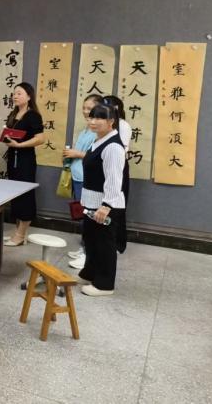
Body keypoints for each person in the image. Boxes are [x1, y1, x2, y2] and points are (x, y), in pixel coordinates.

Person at [79, 102, 126, 296]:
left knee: (104, 244)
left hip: (105, 205)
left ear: (111, 121)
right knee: (91, 240)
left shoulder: (113, 146)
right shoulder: (98, 140)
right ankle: (91, 273)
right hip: (92, 201)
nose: (93, 121)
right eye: (91, 117)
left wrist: (106, 206)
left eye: (99, 118)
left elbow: (114, 179)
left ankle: (105, 285)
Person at [63, 94, 104, 269]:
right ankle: (85, 248)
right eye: (84, 108)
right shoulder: (85, 130)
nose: (86, 112)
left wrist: (76, 154)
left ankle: (89, 255)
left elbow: (97, 156)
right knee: (82, 216)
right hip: (78, 176)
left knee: (89, 217)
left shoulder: (99, 132)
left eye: (90, 108)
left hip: (88, 179)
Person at [3, 82, 45, 246]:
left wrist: (20, 145)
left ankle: (20, 235)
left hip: (25, 160)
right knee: (15, 195)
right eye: (14, 93)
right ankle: (18, 233)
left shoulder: (33, 115)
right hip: (12, 158)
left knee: (25, 196)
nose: (15, 96)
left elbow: (40, 139)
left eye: (19, 93)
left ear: (29, 96)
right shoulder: (14, 113)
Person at [103, 95, 132, 254]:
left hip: (118, 167)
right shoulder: (101, 124)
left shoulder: (123, 125)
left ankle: (116, 243)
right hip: (102, 166)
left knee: (115, 205)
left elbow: (121, 149)